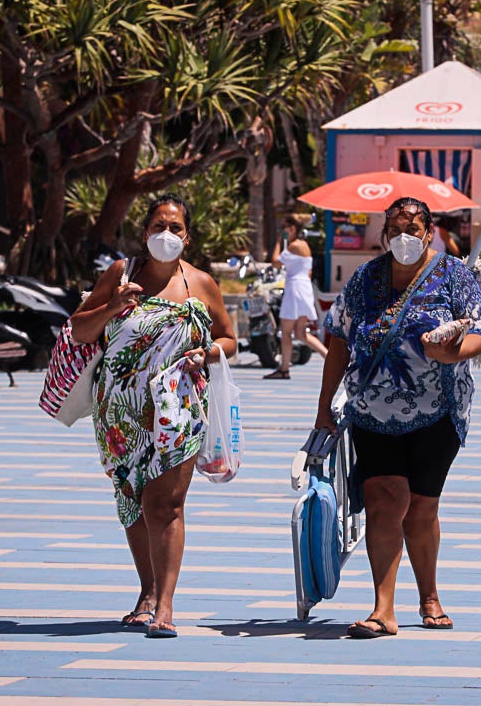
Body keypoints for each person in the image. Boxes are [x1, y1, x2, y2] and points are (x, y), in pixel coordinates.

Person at [315, 197, 481, 639]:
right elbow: (338, 338)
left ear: (429, 231)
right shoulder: (365, 278)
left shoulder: (453, 274)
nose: (403, 236)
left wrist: (452, 350)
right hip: (372, 411)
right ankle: (383, 609)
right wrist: (323, 410)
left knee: (420, 508)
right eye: (395, 228)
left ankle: (429, 596)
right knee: (383, 501)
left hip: (438, 410)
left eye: (412, 228)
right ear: (383, 233)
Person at [70, 194, 237, 639]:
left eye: (176, 227)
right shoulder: (120, 275)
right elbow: (80, 330)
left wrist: (211, 352)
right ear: (144, 233)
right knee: (134, 502)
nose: (167, 235)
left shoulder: (201, 283)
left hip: (179, 407)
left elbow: (229, 337)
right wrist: (113, 306)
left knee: (166, 503)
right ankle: (146, 591)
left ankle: (164, 605)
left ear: (187, 235)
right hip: (119, 413)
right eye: (159, 226)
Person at [263, 213, 329, 380]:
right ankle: (328, 357)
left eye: (284, 228)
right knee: (301, 334)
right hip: (303, 287)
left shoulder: (294, 246)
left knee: (286, 332)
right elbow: (308, 270)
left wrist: (279, 241)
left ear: (292, 228)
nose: (283, 231)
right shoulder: (304, 245)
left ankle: (284, 369)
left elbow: (275, 261)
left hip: (295, 289)